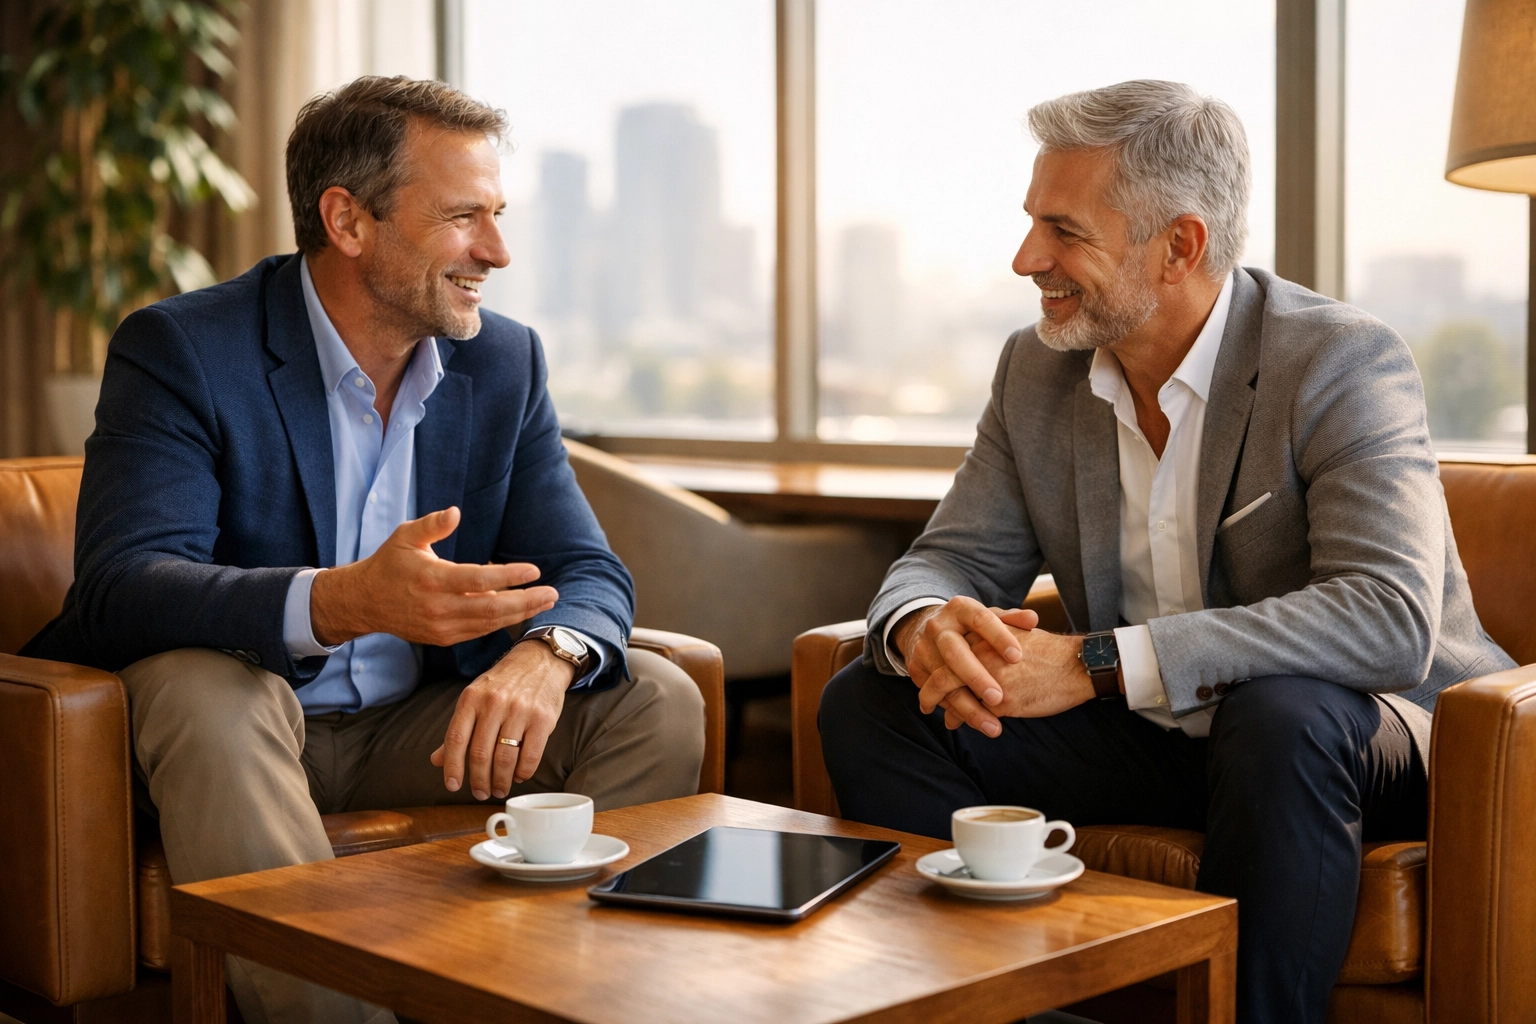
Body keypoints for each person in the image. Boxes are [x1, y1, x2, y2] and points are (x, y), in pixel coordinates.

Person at [818, 79, 1514, 1024]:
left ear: (1179, 245)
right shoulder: (1037, 369)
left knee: (1280, 714)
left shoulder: (1339, 359)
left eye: (1064, 231)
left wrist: (1095, 664)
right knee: (872, 700)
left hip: (1362, 736)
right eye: (1031, 223)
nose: (1027, 259)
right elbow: (950, 556)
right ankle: (1010, 1010)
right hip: (1164, 737)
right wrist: (925, 624)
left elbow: (1387, 618)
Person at [23, 75, 706, 1024]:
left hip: (412, 733)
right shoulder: (182, 349)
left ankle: (543, 1003)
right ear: (347, 220)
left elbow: (587, 568)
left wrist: (547, 654)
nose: (497, 251)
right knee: (208, 689)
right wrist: (342, 602)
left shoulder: (503, 361)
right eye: (463, 217)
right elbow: (123, 586)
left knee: (655, 696)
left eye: (497, 216)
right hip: (235, 728)